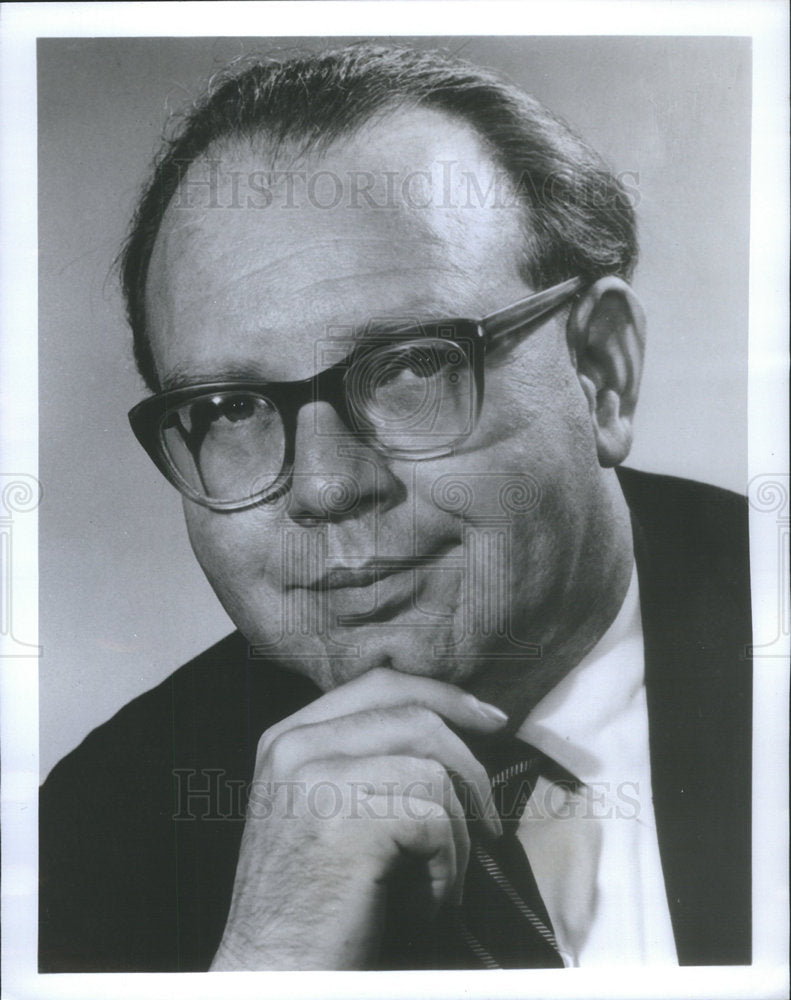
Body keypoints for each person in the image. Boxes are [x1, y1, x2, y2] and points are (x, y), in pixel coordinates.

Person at [39, 42, 752, 972]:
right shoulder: (95, 837)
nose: (327, 487)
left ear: (600, 372)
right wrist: (268, 967)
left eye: (412, 366)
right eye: (230, 409)